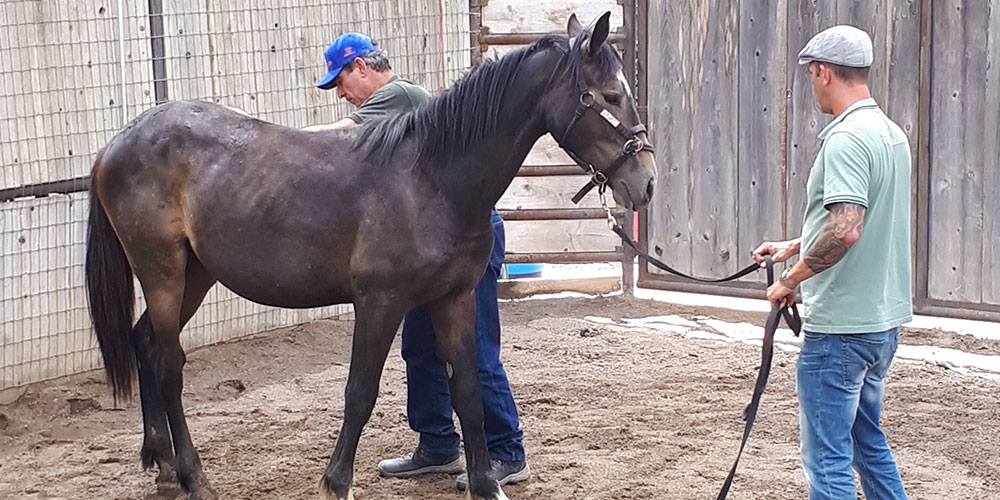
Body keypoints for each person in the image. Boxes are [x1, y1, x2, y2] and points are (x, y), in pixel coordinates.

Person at [308, 32, 530, 489]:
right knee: (421, 348)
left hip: (463, 240)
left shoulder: (401, 96)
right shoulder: (391, 100)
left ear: (362, 68)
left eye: (342, 83)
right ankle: (438, 445)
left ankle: (508, 452)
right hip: (422, 244)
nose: (343, 96)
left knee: (476, 350)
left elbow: (343, 138)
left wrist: (282, 141)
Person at [752, 25, 911, 500]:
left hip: (840, 330)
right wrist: (794, 246)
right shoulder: (890, 134)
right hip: (881, 325)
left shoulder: (845, 139)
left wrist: (790, 281)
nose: (812, 84)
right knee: (868, 444)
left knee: (827, 462)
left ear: (823, 71)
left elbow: (846, 230)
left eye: (810, 74)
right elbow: (863, 218)